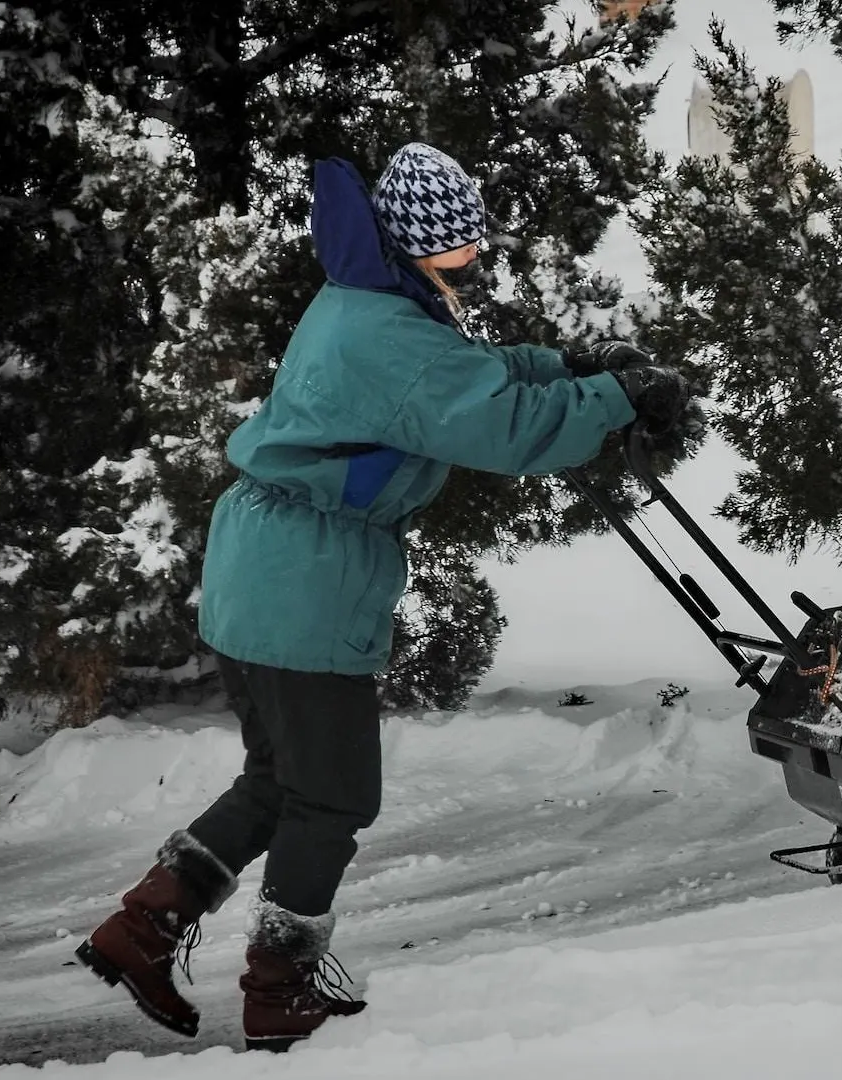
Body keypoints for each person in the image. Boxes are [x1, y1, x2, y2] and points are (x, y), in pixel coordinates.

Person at [74, 143, 689, 1052]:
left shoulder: (369, 304)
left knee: (279, 781)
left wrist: (568, 361)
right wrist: (617, 394)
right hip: (304, 590)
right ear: (408, 249)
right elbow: (504, 424)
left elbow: (469, 371)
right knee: (335, 796)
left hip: (264, 574)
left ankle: (141, 930)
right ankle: (278, 988)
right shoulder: (390, 336)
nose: (468, 269)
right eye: (453, 256)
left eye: (472, 252)